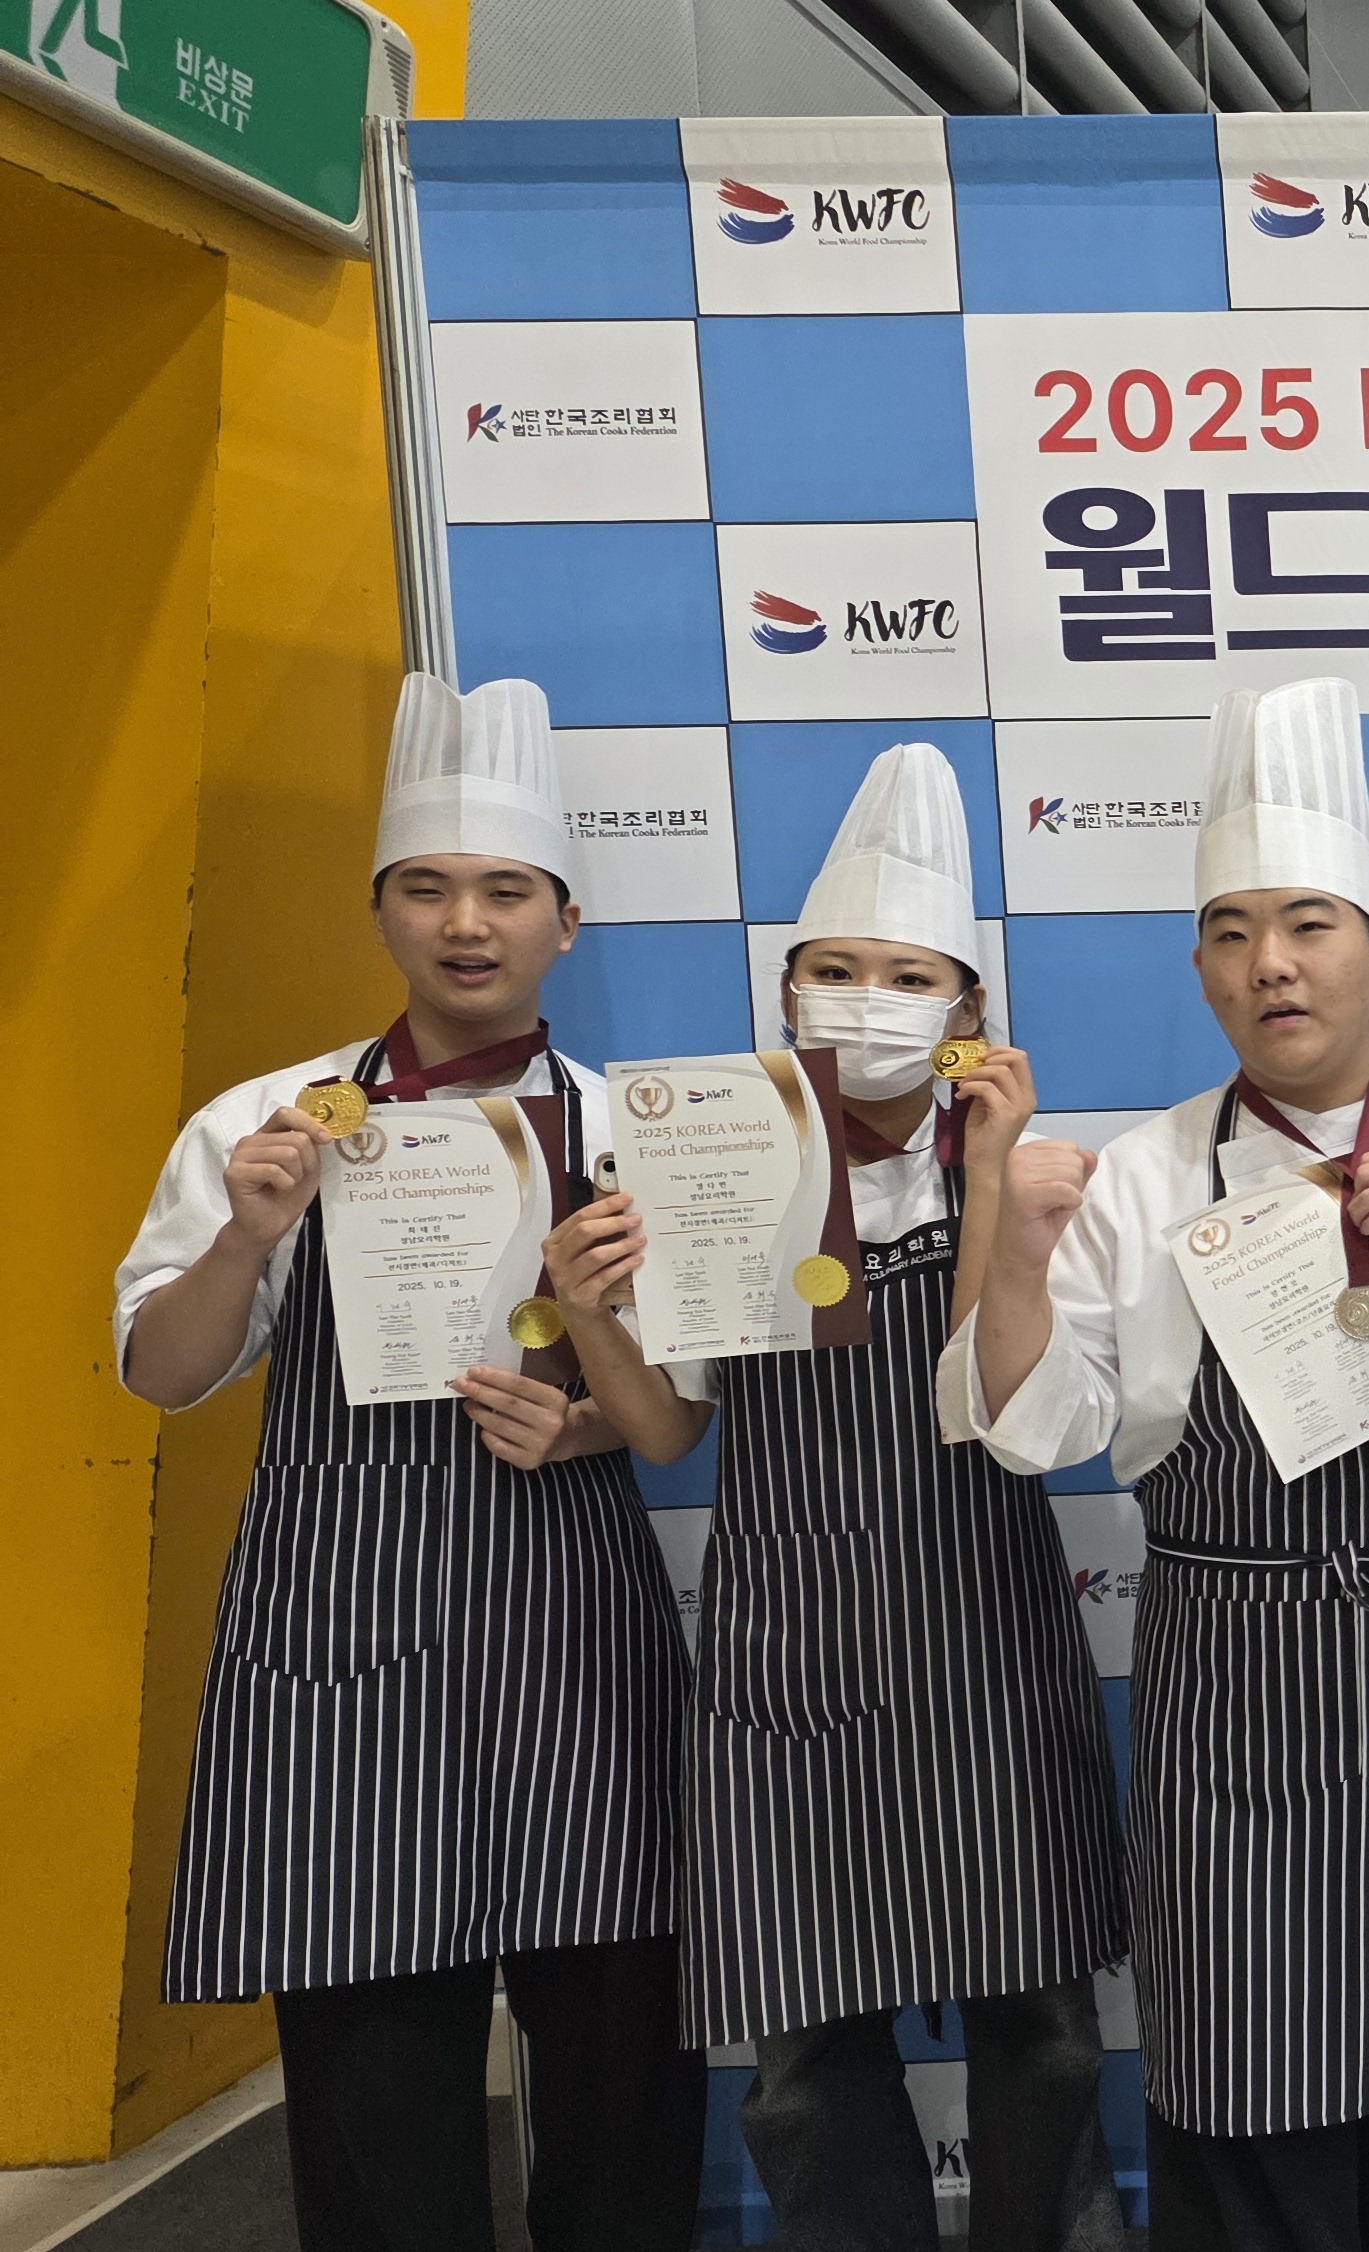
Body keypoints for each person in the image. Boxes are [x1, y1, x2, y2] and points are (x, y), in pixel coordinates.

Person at [950, 679, 1369, 2250]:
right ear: (1201, 966)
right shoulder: (1141, 1175)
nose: (1272, 961)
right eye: (1233, 931)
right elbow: (1027, 1428)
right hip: (1238, 1705)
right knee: (1248, 2097)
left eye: (1309, 924)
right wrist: (1016, 1252)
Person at [111, 673, 702, 2252]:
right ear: (381, 911)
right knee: (376, 2100)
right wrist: (248, 1238)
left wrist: (582, 1419)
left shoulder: (632, 1134)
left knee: (619, 2075)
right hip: (342, 1653)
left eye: (505, 889)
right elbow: (164, 1373)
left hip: (573, 1644)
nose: (466, 922)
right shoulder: (269, 1124)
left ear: (564, 921)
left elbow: (678, 1419)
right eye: (428, 887)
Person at [549, 744, 1128, 2252]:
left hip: (983, 1635)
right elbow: (668, 1430)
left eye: (908, 977)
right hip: (782, 1649)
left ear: (966, 1014)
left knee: (1044, 2029)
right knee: (804, 2063)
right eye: (835, 971)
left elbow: (990, 1404)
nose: (866, 1000)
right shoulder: (714, 1165)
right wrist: (592, 1313)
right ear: (787, 991)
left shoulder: (1032, 1178)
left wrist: (990, 1168)